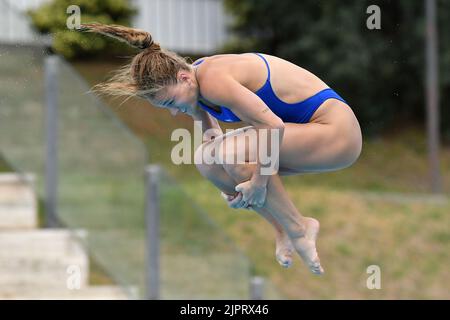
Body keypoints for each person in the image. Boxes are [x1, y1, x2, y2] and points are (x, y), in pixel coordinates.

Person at [79, 23, 362, 275]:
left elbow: (272, 127)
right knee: (207, 160)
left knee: (231, 154)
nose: (176, 113)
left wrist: (259, 184)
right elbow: (213, 145)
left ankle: (300, 228)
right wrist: (228, 181)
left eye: (170, 103)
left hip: (337, 133)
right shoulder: (194, 87)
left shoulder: (214, 79)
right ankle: (284, 230)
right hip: (305, 136)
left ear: (184, 78)